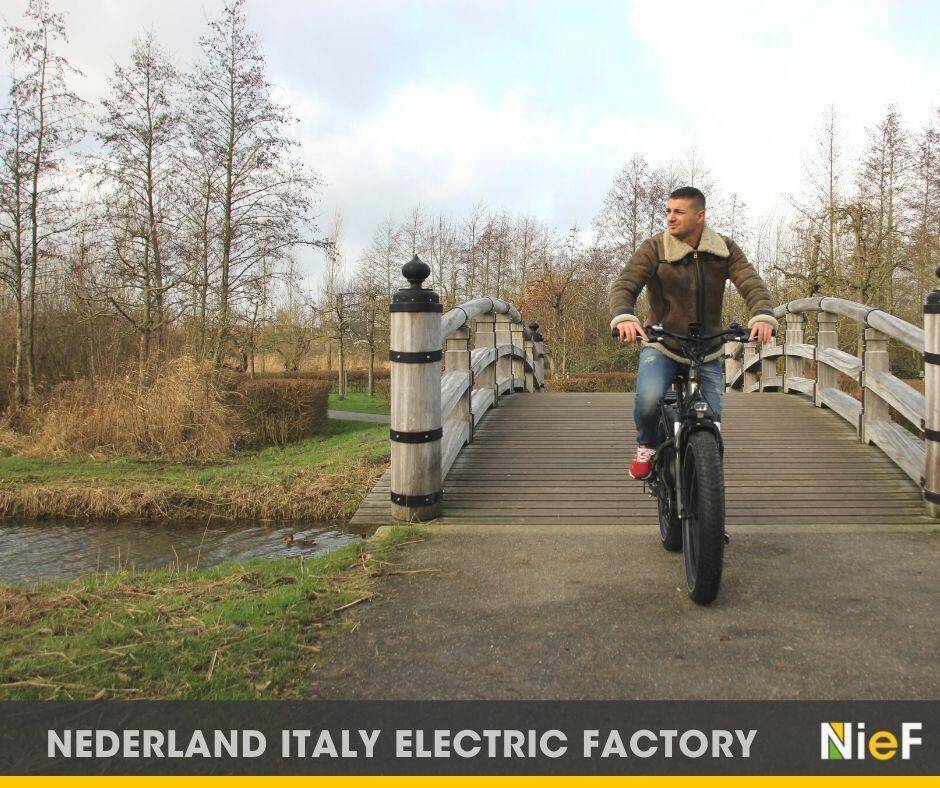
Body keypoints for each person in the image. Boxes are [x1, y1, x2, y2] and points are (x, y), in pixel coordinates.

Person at [609, 186, 777, 480]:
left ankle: (708, 513)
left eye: (678, 212)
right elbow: (625, 284)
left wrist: (762, 315)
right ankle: (647, 445)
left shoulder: (723, 249)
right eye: (668, 211)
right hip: (662, 343)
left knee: (712, 427)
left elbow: (751, 282)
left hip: (708, 348)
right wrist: (624, 317)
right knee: (648, 402)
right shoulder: (655, 248)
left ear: (700, 216)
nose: (670, 218)